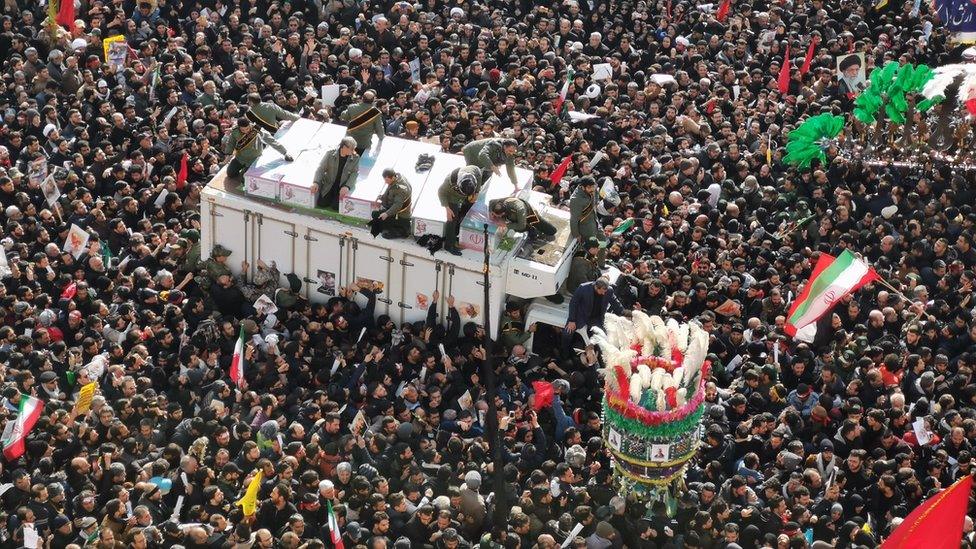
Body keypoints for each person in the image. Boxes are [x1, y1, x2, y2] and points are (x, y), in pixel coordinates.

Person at [563, 277, 624, 356]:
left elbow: (616, 303)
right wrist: (572, 320)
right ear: (596, 287)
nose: (604, 294)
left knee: (603, 338)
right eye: (602, 291)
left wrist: (625, 314)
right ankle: (565, 355)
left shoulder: (609, 290)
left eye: (605, 291)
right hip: (581, 317)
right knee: (567, 334)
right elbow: (573, 303)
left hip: (596, 319)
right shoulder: (583, 288)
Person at [438, 165, 486, 255]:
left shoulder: (474, 171)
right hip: (453, 196)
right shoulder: (449, 182)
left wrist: (476, 192)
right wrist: (447, 208)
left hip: (467, 195)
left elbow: (478, 172)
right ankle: (449, 245)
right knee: (452, 219)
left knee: (465, 214)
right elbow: (441, 192)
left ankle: (455, 234)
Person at [224, 117, 293, 178]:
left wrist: (285, 153)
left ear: (250, 125)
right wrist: (227, 156)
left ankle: (245, 171)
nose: (246, 131)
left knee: (244, 179)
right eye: (243, 130)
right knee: (230, 174)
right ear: (239, 127)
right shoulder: (235, 131)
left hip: (253, 158)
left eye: (247, 129)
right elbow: (231, 144)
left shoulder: (257, 129)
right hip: (241, 157)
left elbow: (271, 141)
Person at [312, 137, 360, 209]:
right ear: (344, 147)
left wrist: (347, 186)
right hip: (329, 184)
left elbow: (355, 173)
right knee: (322, 204)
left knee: (336, 207)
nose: (353, 151)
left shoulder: (355, 158)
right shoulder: (330, 154)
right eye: (351, 149)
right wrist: (316, 182)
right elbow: (321, 169)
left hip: (342, 186)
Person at [488, 196, 556, 241]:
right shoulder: (500, 203)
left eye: (498, 216)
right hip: (514, 215)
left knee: (551, 230)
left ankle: (531, 229)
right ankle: (530, 228)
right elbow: (491, 202)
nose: (497, 217)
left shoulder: (520, 209)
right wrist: (491, 212)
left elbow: (521, 225)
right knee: (515, 224)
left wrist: (506, 225)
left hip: (528, 214)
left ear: (503, 213)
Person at [369, 169, 412, 239]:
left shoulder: (400, 189)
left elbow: (398, 205)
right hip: (394, 212)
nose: (385, 182)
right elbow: (391, 194)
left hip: (401, 216)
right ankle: (390, 227)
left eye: (387, 180)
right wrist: (382, 197)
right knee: (375, 214)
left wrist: (387, 213)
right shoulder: (395, 180)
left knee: (378, 218)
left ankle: (403, 230)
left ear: (392, 177)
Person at [339, 90, 384, 155]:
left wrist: (344, 112)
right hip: (364, 145)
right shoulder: (376, 113)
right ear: (373, 100)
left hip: (349, 142)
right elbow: (379, 129)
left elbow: (344, 117)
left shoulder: (352, 107)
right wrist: (381, 137)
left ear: (362, 98)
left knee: (344, 161)